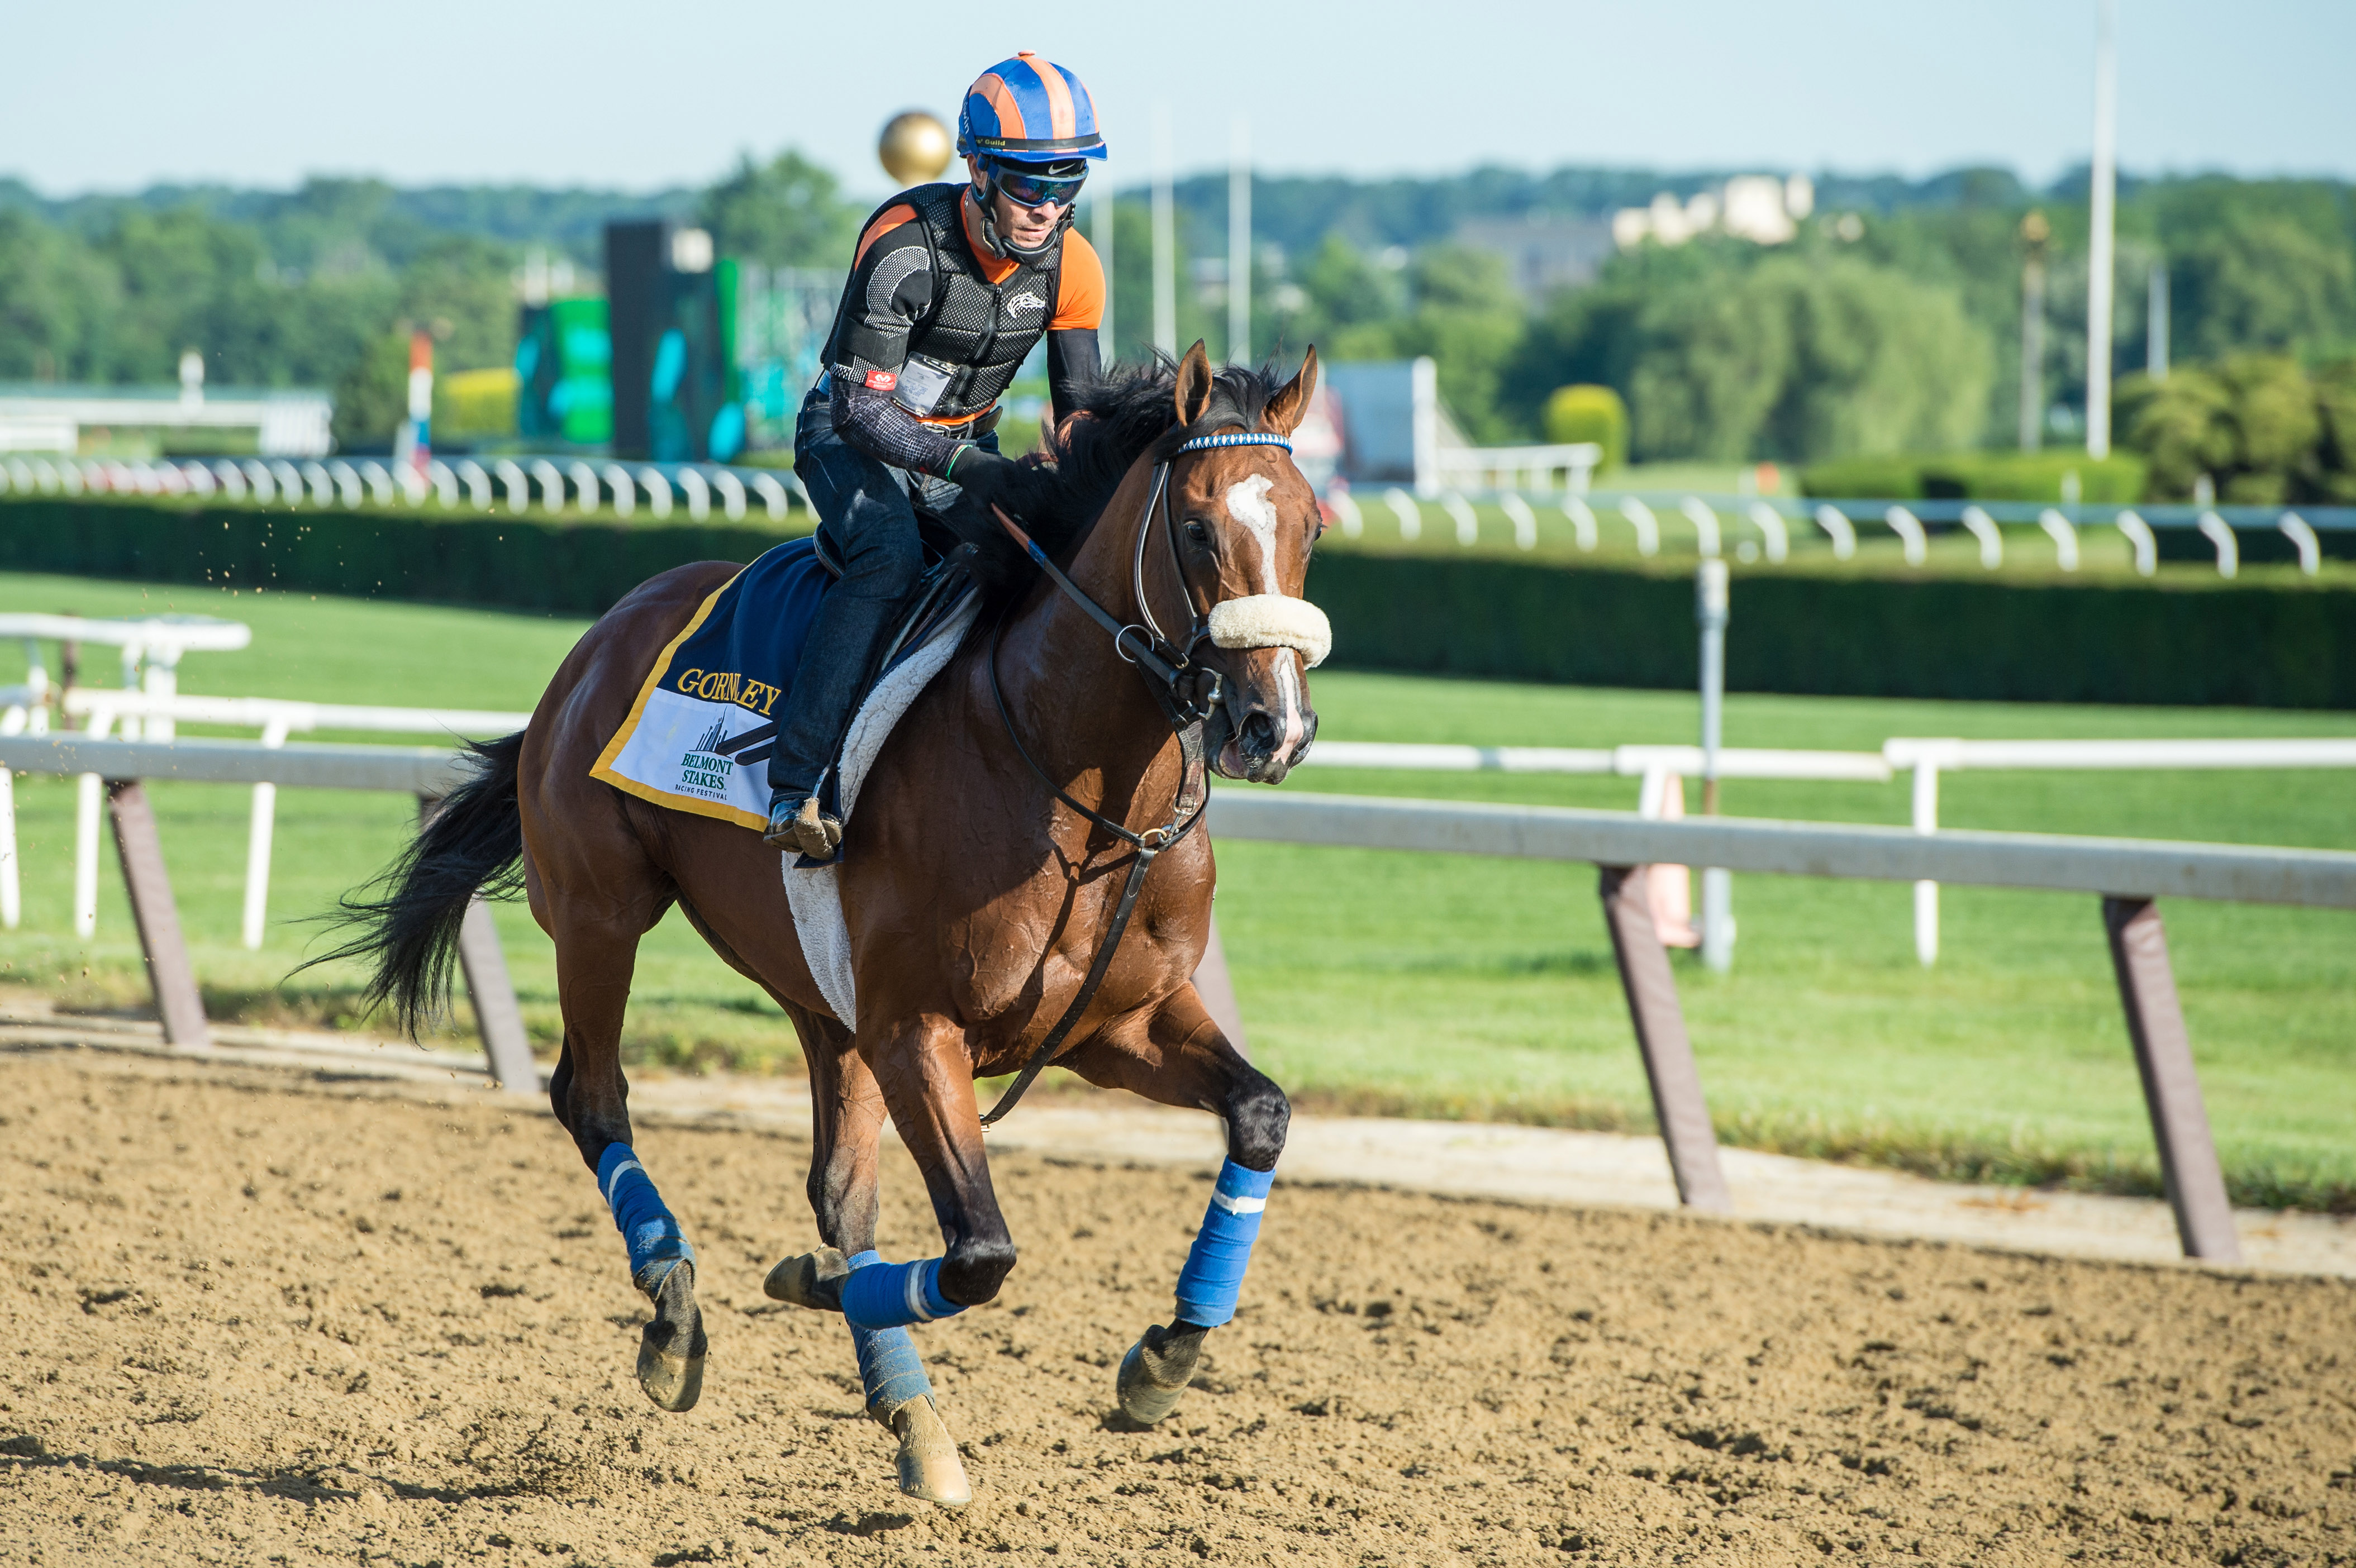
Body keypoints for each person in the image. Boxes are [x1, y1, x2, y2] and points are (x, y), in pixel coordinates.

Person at [764, 52, 1109, 857]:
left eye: (1067, 185)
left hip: (961, 446)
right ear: (979, 170)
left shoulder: (1076, 266)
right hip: (849, 436)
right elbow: (860, 409)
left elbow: (1081, 417)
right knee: (885, 554)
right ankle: (796, 786)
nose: (1046, 207)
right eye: (1029, 183)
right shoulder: (902, 244)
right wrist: (965, 467)